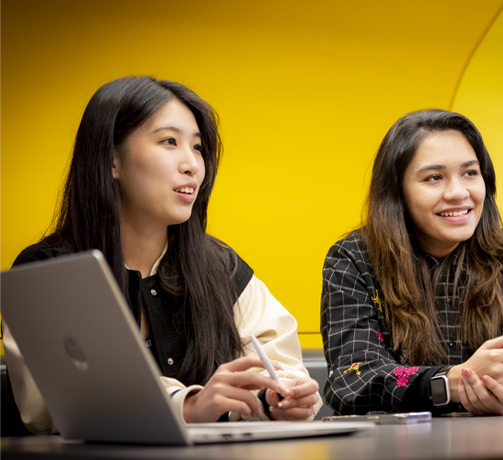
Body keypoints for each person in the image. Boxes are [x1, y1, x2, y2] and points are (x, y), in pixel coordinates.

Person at [2, 76, 322, 435]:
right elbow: (58, 408)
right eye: (169, 141)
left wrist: (277, 398)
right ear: (111, 161)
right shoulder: (49, 273)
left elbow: (280, 362)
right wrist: (189, 406)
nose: (192, 165)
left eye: (198, 147)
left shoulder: (219, 266)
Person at [320, 109, 503, 416]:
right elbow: (352, 380)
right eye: (434, 178)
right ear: (397, 192)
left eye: (470, 173)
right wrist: (449, 384)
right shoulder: (353, 259)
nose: (458, 192)